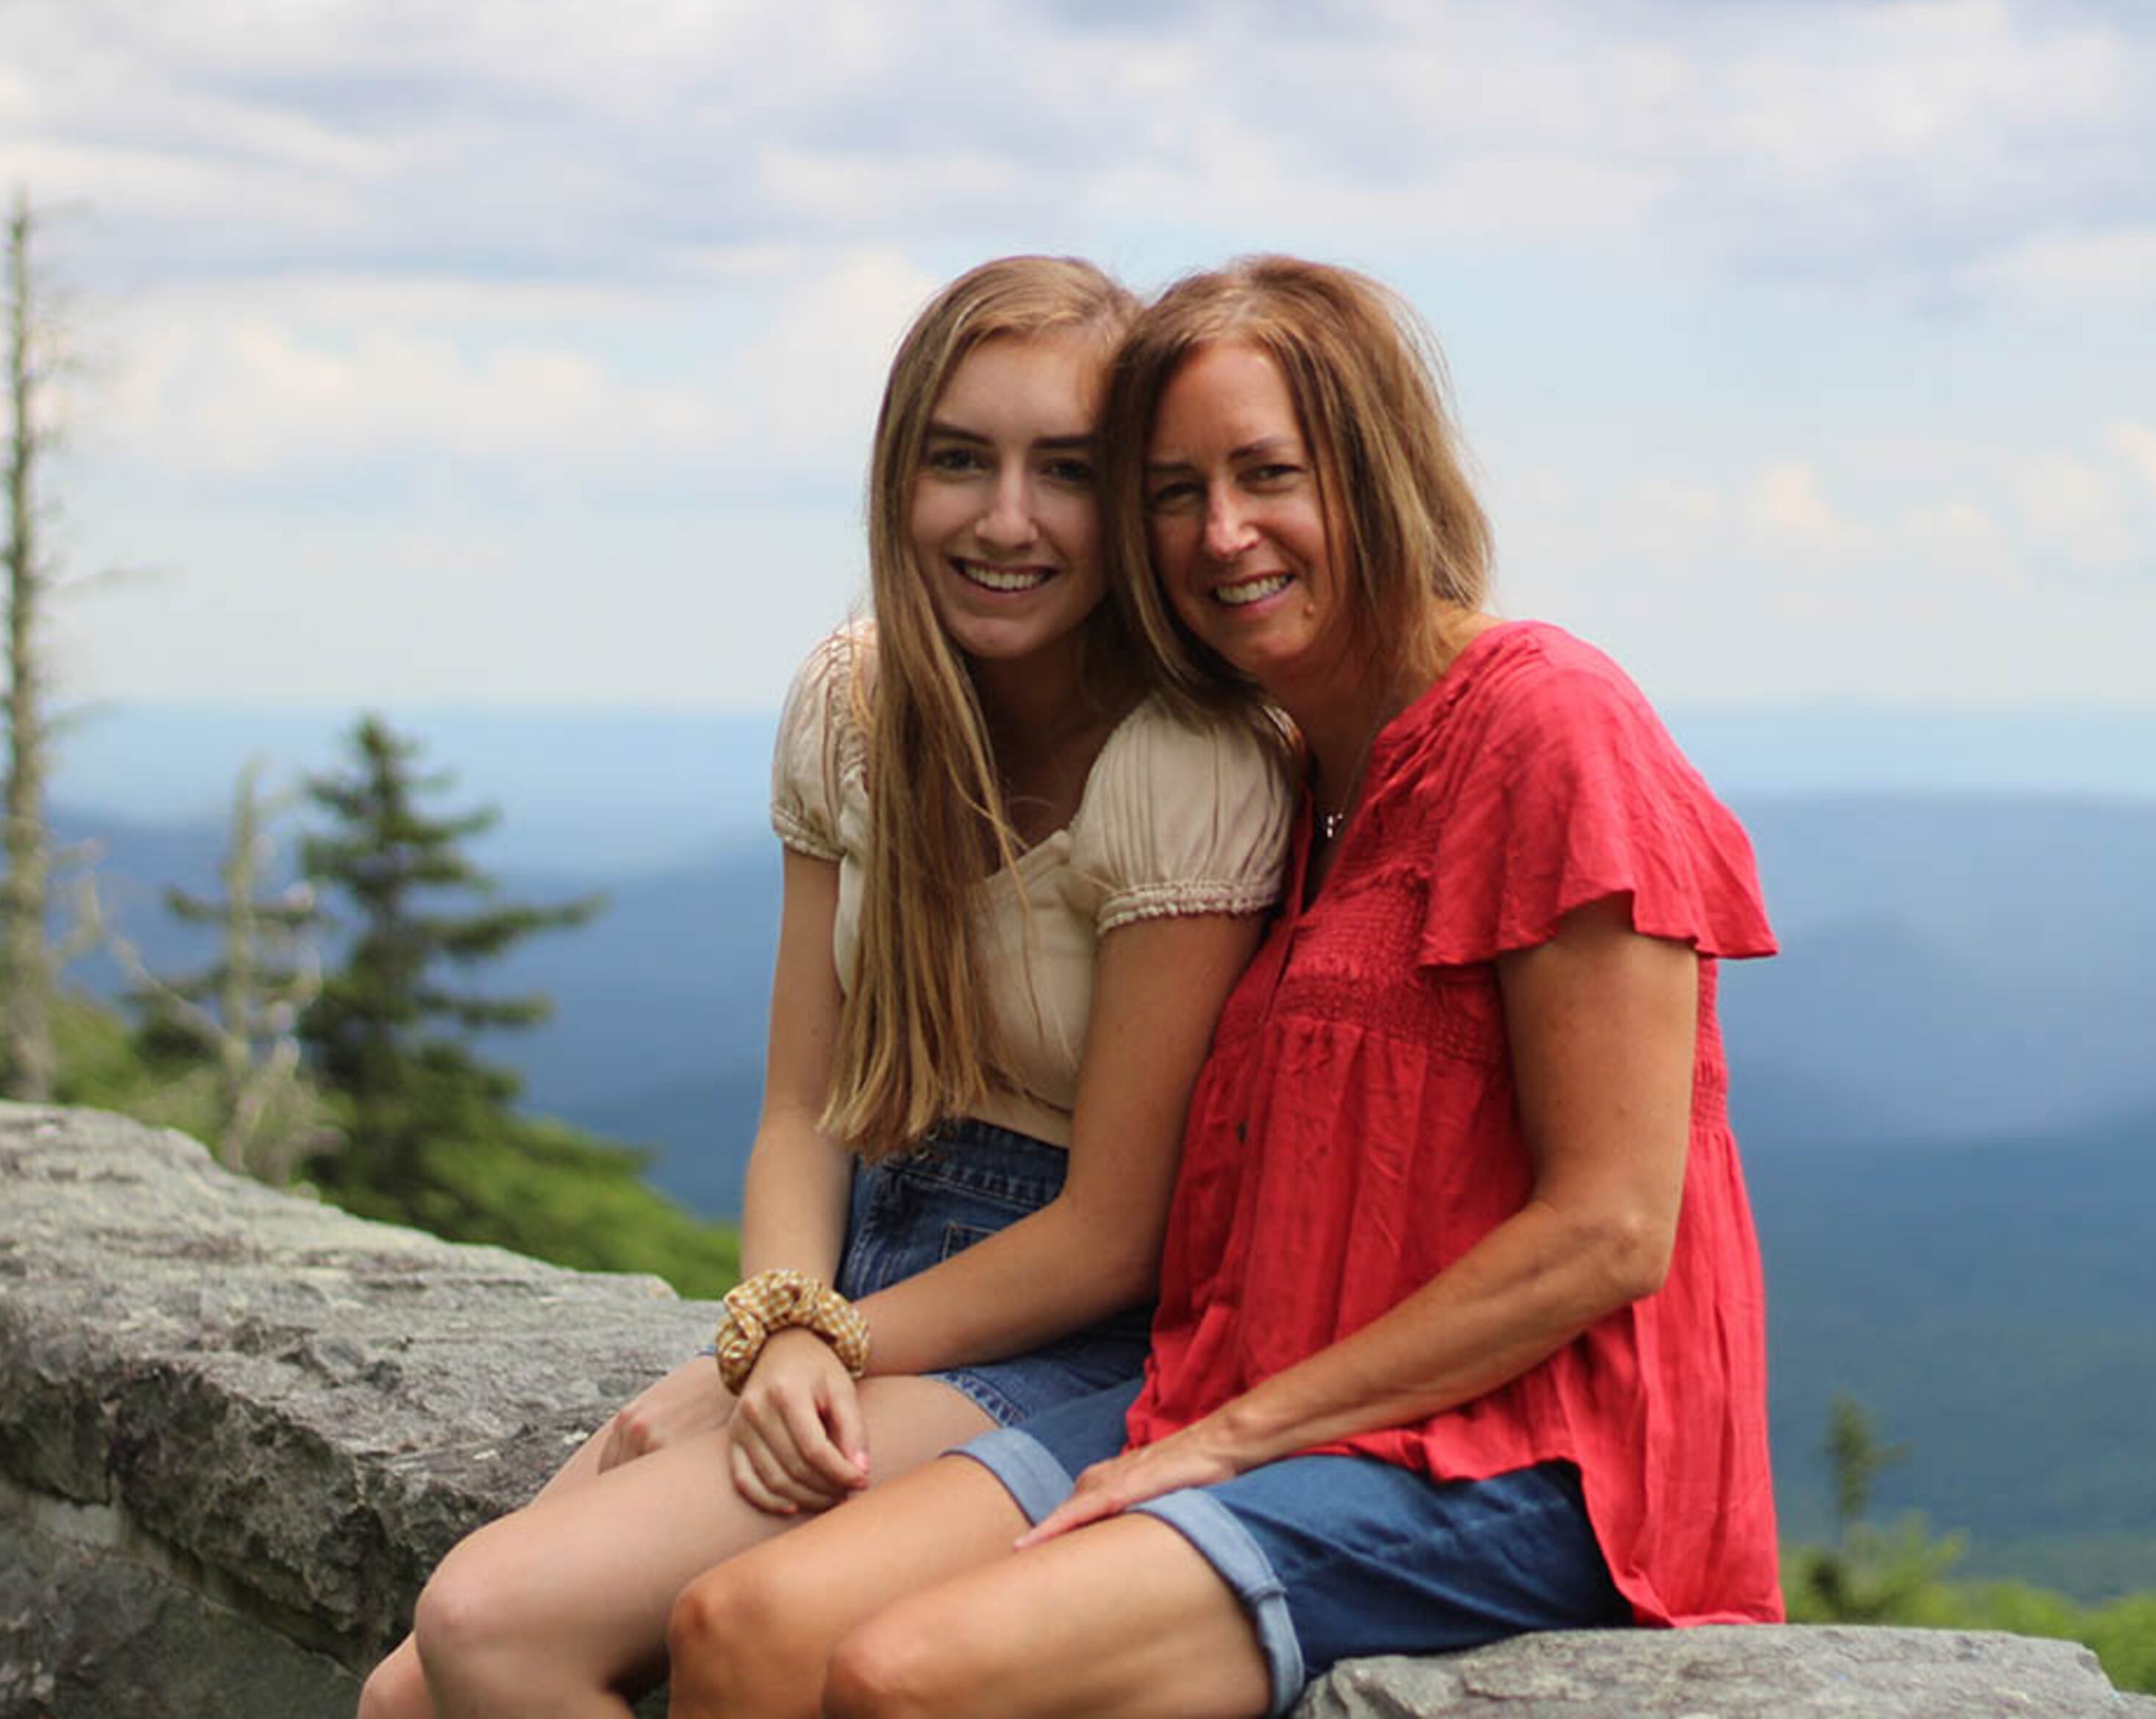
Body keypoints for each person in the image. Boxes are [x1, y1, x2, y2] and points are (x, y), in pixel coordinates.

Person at [661, 256, 1782, 1719]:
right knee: (759, 1632)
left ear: (1379, 476)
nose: (1221, 531)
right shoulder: (1292, 766)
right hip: (1269, 1413)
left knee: (904, 1674)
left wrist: (1239, 1431)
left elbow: (1611, 1230)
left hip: (1532, 1461)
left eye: (1269, 474)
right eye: (1175, 491)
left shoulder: (1548, 725)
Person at [358, 256, 1291, 1718]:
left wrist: (810, 1341)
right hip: (873, 1260)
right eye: (959, 460)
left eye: (1066, 471)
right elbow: (803, 1101)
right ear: (897, 477)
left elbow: (1118, 1230)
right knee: (405, 1696)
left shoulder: (1186, 763)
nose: (1005, 518)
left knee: (490, 1619)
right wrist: (777, 1315)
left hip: (1067, 1331)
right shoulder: (858, 711)